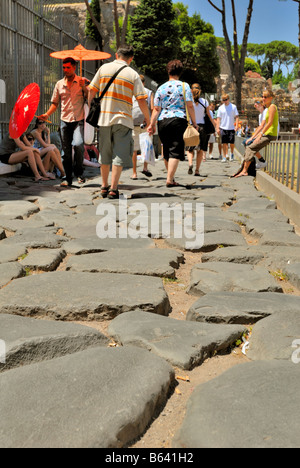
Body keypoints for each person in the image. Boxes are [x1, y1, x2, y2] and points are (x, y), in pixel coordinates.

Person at [88, 45, 150, 200]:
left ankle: (103, 186)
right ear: (131, 58)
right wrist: (148, 119)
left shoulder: (103, 68)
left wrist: (89, 107)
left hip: (104, 119)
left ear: (116, 55)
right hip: (123, 119)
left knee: (105, 153)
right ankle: (113, 189)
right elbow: (141, 99)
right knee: (119, 154)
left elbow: (91, 90)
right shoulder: (133, 74)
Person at [38, 57, 89, 187]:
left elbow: (89, 99)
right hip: (64, 120)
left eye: (68, 67)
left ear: (74, 67)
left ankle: (79, 172)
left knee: (78, 145)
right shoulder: (59, 84)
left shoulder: (83, 82)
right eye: (64, 67)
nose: (65, 70)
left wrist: (85, 88)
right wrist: (47, 114)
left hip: (78, 119)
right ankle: (67, 177)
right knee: (65, 151)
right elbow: (55, 103)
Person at [148, 60, 197, 187]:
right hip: (178, 120)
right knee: (176, 149)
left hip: (162, 121)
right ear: (180, 72)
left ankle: (171, 177)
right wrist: (194, 122)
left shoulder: (161, 87)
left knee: (167, 149)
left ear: (168, 71)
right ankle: (169, 179)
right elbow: (190, 106)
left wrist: (151, 124)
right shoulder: (185, 86)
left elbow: (156, 109)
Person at [234, 89, 279, 178]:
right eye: (262, 96)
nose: (263, 98)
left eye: (265, 97)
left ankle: (245, 170)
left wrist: (260, 135)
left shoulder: (272, 107)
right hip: (267, 134)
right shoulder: (268, 108)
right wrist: (254, 137)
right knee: (248, 144)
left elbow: (269, 123)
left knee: (250, 147)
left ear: (271, 98)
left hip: (270, 135)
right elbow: (262, 125)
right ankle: (246, 168)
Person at [186, 84, 215, 175]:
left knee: (190, 148)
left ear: (191, 90)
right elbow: (209, 115)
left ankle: (190, 163)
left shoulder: (189, 101)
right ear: (200, 90)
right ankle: (197, 170)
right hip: (202, 128)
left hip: (191, 126)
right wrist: (215, 126)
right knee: (200, 150)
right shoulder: (205, 102)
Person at [131, 90, 151, 180]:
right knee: (146, 146)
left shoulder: (131, 92)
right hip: (145, 123)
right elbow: (152, 108)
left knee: (134, 150)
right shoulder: (149, 92)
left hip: (133, 123)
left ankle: (134, 173)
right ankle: (145, 168)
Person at [216, 94, 239, 162]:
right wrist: (217, 128)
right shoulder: (220, 108)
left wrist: (237, 125)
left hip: (231, 127)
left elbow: (236, 116)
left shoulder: (233, 107)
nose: (225, 101)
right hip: (223, 127)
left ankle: (231, 153)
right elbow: (218, 118)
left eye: (226, 99)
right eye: (223, 100)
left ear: (228, 99)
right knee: (224, 143)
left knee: (231, 143)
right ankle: (224, 156)